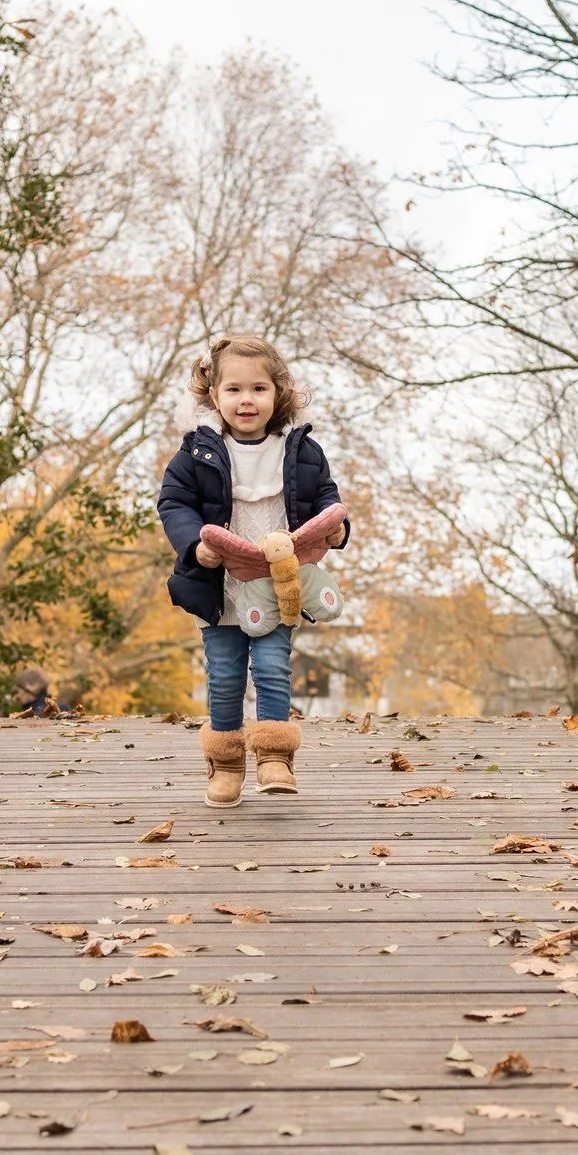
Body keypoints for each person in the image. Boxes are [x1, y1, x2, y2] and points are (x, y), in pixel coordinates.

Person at [156, 335, 349, 806]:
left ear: (278, 393)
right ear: (213, 395)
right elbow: (173, 503)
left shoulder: (300, 449)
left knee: (271, 668)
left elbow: (324, 495)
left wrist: (340, 530)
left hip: (276, 581)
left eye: (259, 389)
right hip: (219, 585)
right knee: (224, 675)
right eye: (234, 390)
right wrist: (193, 546)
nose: (247, 400)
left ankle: (274, 756)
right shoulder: (197, 452)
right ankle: (226, 762)